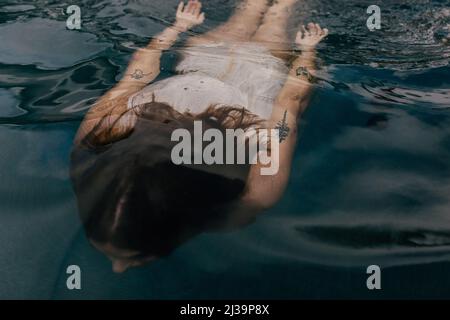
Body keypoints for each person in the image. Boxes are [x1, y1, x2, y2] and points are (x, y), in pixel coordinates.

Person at [70, 0, 328, 273]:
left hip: (262, 68)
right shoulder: (93, 142)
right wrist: (176, 29)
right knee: (252, 8)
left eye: (138, 255)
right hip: (205, 56)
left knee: (281, 10)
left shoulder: (253, 197)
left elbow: (291, 101)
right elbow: (133, 77)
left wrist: (306, 52)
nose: (118, 269)